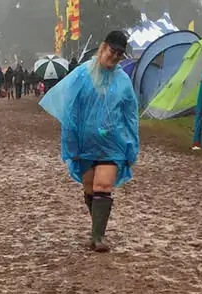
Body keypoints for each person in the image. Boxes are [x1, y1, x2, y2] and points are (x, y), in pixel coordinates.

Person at [46, 30, 139, 252]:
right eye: (112, 51)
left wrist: (131, 146)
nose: (114, 56)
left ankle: (98, 237)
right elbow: (71, 112)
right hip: (85, 144)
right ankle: (96, 228)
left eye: (119, 54)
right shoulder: (81, 75)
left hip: (113, 145)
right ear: (103, 46)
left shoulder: (123, 81)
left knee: (103, 186)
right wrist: (71, 144)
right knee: (90, 188)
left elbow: (130, 115)